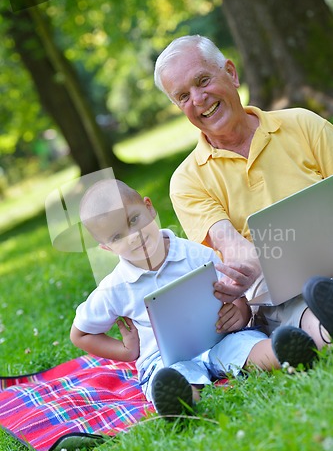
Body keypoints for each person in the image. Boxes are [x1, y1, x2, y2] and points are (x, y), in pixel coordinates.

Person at [70, 179, 315, 417]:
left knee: (246, 345)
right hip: (164, 358)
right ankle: (182, 401)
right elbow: (80, 334)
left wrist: (240, 312)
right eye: (116, 237)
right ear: (107, 248)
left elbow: (235, 294)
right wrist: (125, 351)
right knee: (170, 378)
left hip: (219, 338)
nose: (133, 236)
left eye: (134, 220)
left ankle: (286, 352)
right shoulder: (114, 287)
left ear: (148, 207)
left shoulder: (195, 254)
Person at [154, 34, 333, 351]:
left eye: (203, 80)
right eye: (183, 96)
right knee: (306, 311)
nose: (198, 99)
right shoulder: (187, 180)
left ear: (232, 74)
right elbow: (229, 244)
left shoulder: (303, 124)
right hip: (281, 290)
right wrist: (252, 266)